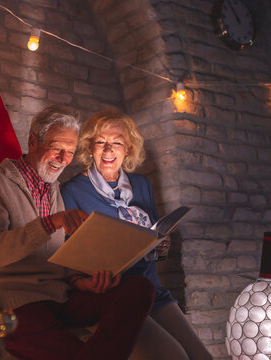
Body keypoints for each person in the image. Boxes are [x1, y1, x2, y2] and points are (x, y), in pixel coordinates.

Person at [0, 104, 156, 360]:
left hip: (58, 295)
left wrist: (81, 281)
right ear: (32, 142)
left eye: (69, 152)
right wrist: (50, 223)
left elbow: (56, 255)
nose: (63, 159)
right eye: (56, 148)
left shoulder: (52, 187)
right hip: (13, 303)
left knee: (139, 288)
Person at [61, 110, 213, 360]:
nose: (108, 149)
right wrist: (84, 279)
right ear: (90, 147)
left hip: (153, 290)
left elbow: (153, 236)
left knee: (202, 357)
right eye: (100, 142)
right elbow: (68, 257)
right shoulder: (72, 191)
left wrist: (161, 247)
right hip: (115, 297)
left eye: (117, 142)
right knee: (174, 357)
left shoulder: (141, 185)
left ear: (128, 149)